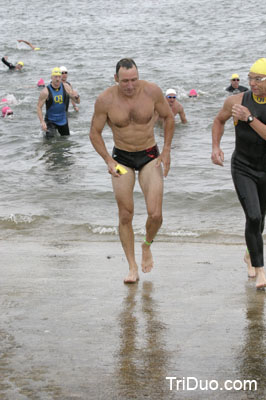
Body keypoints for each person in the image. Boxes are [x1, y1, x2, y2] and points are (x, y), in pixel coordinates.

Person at [89, 58, 175, 283]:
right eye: (125, 81)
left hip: (149, 156)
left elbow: (168, 117)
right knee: (125, 214)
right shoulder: (105, 100)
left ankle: (147, 245)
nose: (130, 85)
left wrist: (166, 150)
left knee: (155, 214)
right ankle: (132, 266)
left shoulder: (152, 91)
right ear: (116, 78)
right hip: (122, 158)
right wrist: (107, 160)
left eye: (134, 80)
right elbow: (94, 133)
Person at [211, 57, 266, 290]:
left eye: (258, 79)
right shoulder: (235, 101)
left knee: (260, 221)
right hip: (243, 167)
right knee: (253, 216)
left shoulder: (245, 111)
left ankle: (249, 254)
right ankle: (261, 270)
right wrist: (216, 146)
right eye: (250, 78)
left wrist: (249, 118)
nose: (252, 83)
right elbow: (218, 121)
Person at [37, 67, 79, 138]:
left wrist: (76, 96)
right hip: (50, 121)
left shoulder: (66, 87)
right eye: (55, 77)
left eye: (59, 77)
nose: (57, 79)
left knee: (66, 142)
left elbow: (77, 102)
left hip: (63, 120)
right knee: (49, 143)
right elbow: (39, 107)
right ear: (51, 77)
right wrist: (42, 122)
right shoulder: (45, 91)